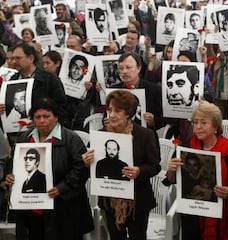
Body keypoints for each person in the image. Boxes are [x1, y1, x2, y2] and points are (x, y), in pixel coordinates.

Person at [5, 98, 93, 240]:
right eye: (37, 117)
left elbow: (81, 169)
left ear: (56, 117)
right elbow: (12, 162)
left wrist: (61, 188)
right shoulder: (24, 138)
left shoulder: (71, 139)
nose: (41, 121)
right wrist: (9, 176)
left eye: (46, 116)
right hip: (31, 211)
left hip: (64, 210)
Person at [165, 100, 228, 240]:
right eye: (195, 122)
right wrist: (171, 171)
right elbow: (172, 180)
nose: (198, 127)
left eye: (203, 123)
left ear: (215, 126)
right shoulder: (186, 147)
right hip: (191, 214)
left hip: (222, 212)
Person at [82, 90, 161, 239]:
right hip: (109, 202)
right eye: (109, 110)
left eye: (117, 111)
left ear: (128, 113)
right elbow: (91, 170)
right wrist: (86, 163)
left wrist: (139, 171)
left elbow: (154, 166)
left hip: (138, 202)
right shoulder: (99, 136)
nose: (111, 115)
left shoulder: (145, 135)